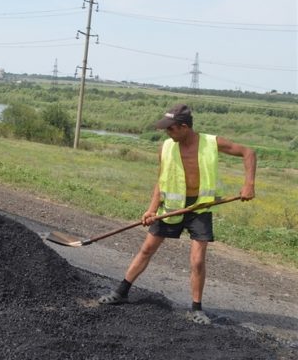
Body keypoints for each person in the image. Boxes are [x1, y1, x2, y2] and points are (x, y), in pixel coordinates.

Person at [97, 103, 256, 325]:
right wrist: (152, 209)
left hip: (200, 208)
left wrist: (248, 184)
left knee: (197, 260)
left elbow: (248, 152)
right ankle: (121, 292)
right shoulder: (165, 147)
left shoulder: (211, 143)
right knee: (146, 249)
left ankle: (196, 309)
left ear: (183, 127)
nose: (167, 132)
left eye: (170, 128)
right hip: (171, 208)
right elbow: (161, 181)